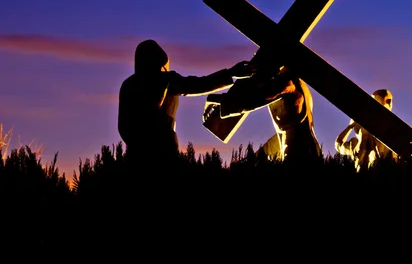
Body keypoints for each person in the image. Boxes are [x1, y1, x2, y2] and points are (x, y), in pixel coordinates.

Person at [117, 39, 256, 168]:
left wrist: (230, 74)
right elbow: (198, 85)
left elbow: (198, 84)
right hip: (152, 153)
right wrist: (231, 73)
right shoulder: (144, 84)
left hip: (151, 153)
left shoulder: (137, 84)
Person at [203, 65, 321, 164]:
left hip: (301, 156)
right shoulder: (295, 83)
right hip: (300, 153)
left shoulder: (288, 82)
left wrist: (216, 99)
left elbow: (254, 100)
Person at [335, 89, 397, 172]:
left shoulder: (389, 144)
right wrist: (350, 126)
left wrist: (350, 126)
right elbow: (339, 145)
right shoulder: (355, 145)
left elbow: (339, 145)